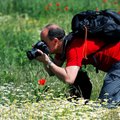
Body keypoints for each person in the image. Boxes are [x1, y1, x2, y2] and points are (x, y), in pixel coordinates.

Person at [36, 24, 120, 106]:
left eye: (44, 42)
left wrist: (48, 61)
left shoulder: (74, 48)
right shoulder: (63, 46)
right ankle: (78, 104)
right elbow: (52, 71)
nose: (42, 45)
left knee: (106, 105)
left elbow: (69, 79)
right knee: (78, 77)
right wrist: (45, 60)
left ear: (55, 41)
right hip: (115, 64)